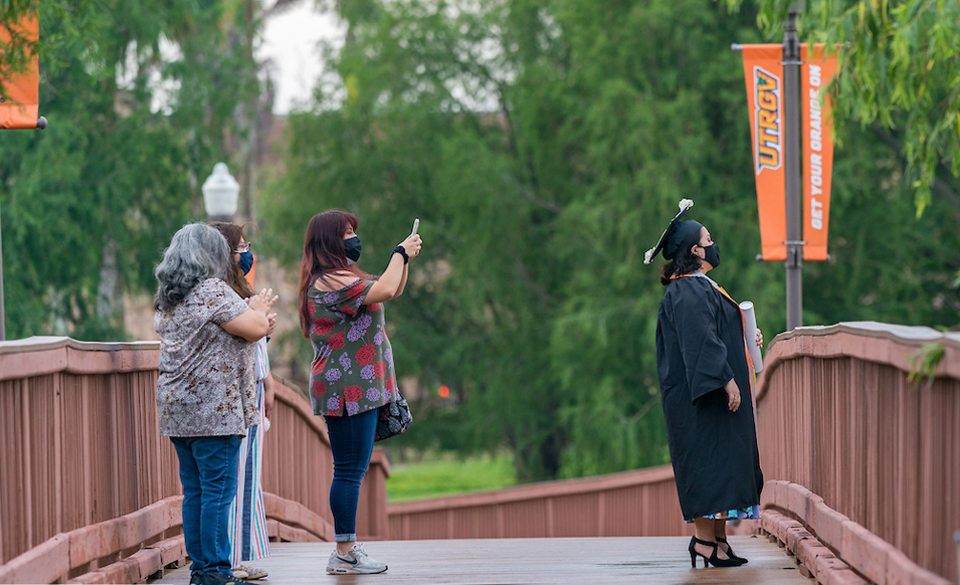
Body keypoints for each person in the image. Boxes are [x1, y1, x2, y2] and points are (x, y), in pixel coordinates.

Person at [297, 210, 421, 575]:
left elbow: (391, 288)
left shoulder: (342, 277)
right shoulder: (328, 281)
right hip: (346, 389)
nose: (354, 238)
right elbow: (384, 286)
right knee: (349, 470)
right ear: (330, 241)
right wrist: (398, 253)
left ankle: (347, 548)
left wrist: (405, 259)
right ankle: (344, 551)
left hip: (360, 386)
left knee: (353, 468)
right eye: (347, 232)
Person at [643, 199, 764, 568]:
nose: (713, 243)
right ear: (695, 250)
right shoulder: (688, 290)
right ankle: (703, 541)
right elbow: (700, 342)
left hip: (708, 396)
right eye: (707, 238)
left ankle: (719, 541)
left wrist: (746, 335)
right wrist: (726, 380)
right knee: (707, 462)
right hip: (700, 399)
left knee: (722, 462)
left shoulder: (696, 286)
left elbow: (715, 332)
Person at [154, 223, 277, 585]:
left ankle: (201, 568)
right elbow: (254, 329)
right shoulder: (212, 291)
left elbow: (241, 329)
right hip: (214, 412)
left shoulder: (170, 297)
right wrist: (255, 309)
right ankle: (215, 572)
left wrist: (254, 318)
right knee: (218, 493)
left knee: (195, 492)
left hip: (178, 410)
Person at [210, 222, 277, 581]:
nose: (247, 251)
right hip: (235, 398)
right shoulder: (221, 294)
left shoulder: (236, 291)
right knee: (232, 481)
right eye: (241, 246)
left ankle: (236, 555)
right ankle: (229, 560)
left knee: (245, 478)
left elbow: (250, 341)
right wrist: (258, 318)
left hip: (251, 392)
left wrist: (263, 326)